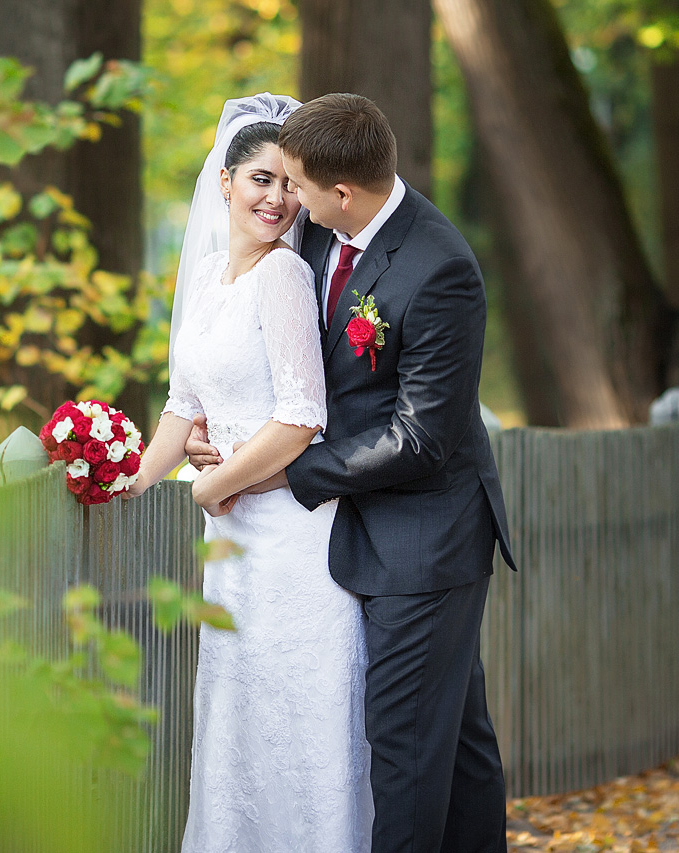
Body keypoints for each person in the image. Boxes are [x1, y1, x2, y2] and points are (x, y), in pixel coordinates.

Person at [186, 93, 518, 853]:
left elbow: (421, 438)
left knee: (401, 745)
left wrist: (282, 473)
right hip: (348, 530)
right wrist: (229, 435)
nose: (284, 200)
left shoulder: (440, 268)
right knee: (459, 742)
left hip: (424, 537)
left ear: (342, 192)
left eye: (296, 185)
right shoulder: (314, 238)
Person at [124, 93, 374, 852]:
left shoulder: (283, 278)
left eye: (289, 184)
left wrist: (213, 484)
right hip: (230, 546)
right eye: (261, 180)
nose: (277, 198)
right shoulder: (204, 278)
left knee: (300, 716)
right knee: (239, 714)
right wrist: (130, 482)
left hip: (294, 537)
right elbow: (181, 406)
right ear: (224, 182)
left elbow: (302, 417)